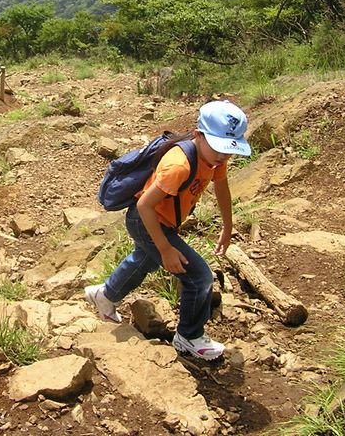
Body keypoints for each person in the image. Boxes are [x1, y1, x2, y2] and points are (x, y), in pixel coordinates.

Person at [85, 100, 251, 360]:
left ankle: (105, 295)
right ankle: (189, 337)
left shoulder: (216, 158)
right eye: (219, 147)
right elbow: (144, 205)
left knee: (144, 261)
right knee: (199, 277)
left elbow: (221, 186)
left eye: (230, 149)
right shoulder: (179, 165)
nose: (224, 155)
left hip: (163, 221)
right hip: (146, 220)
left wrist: (228, 227)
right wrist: (165, 248)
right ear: (198, 135)